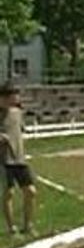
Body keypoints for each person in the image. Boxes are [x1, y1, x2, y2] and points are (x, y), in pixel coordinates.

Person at [0, 83, 37, 236]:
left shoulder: (17, 112)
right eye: (12, 95)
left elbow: (20, 130)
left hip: (19, 158)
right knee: (8, 193)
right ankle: (11, 228)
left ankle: (28, 225)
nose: (16, 98)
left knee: (31, 191)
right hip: (3, 160)